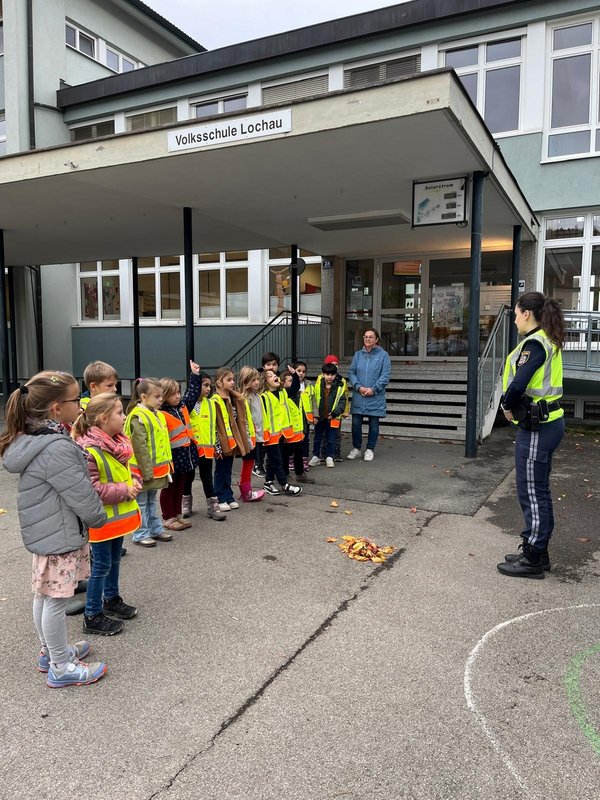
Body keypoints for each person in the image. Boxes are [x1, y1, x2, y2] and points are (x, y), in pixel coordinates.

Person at [0, 371, 108, 688]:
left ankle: (51, 652)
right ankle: (61, 667)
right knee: (56, 601)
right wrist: (98, 518)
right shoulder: (56, 448)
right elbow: (81, 494)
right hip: (59, 535)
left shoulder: (36, 440)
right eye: (76, 399)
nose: (82, 405)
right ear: (56, 409)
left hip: (48, 532)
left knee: (44, 596)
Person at [497, 292, 566, 579]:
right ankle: (539, 550)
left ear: (526, 314)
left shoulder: (535, 344)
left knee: (531, 491)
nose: (514, 320)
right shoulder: (547, 339)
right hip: (549, 423)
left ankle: (533, 558)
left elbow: (518, 383)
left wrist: (506, 407)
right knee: (540, 490)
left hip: (538, 426)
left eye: (515, 314)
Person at [73, 393, 141, 635]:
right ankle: (92, 614)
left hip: (116, 521)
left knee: (113, 562)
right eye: (120, 413)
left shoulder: (118, 443)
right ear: (103, 418)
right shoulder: (90, 450)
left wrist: (135, 479)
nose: (124, 417)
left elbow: (127, 469)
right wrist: (125, 490)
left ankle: (111, 599)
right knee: (100, 566)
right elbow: (92, 489)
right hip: (101, 521)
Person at [124, 378, 172, 547]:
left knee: (151, 501)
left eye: (161, 396)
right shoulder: (138, 417)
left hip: (154, 469)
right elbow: (140, 447)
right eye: (157, 396)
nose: (161, 399)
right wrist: (146, 471)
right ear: (143, 397)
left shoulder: (155, 414)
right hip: (142, 471)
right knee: (142, 503)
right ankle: (140, 533)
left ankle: (155, 529)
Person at [159, 361, 202, 530]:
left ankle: (177, 515)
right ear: (163, 396)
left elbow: (192, 393)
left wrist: (195, 375)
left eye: (178, 392)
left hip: (185, 457)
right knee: (169, 488)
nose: (177, 396)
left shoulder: (182, 406)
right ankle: (168, 517)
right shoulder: (161, 414)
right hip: (171, 457)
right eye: (173, 394)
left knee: (180, 487)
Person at [212, 367, 253, 511]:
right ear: (219, 383)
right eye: (228, 380)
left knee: (228, 469)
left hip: (232, 440)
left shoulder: (234, 398)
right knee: (220, 470)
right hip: (221, 442)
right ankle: (220, 497)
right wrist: (217, 446)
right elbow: (214, 425)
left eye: (233, 379)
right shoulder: (215, 400)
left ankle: (228, 495)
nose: (232, 382)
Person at [347, 328, 391, 462]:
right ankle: (356, 448)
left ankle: (370, 449)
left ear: (376, 339)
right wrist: (358, 387)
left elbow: (385, 375)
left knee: (374, 424)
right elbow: (351, 372)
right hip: (359, 395)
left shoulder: (383, 355)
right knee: (355, 424)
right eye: (365, 337)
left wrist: (373, 389)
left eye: (371, 337)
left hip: (375, 396)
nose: (367, 339)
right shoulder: (358, 355)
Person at [188, 372, 227, 521]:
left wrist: (217, 447)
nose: (209, 389)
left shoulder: (211, 404)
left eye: (209, 386)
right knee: (188, 477)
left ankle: (213, 507)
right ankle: (186, 503)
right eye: (205, 385)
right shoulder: (187, 404)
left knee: (207, 478)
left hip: (207, 450)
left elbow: (215, 427)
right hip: (190, 450)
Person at [260, 369, 303, 497]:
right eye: (270, 376)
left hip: (282, 433)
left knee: (273, 459)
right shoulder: (264, 397)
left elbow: (295, 386)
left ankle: (268, 482)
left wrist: (294, 374)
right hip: (270, 434)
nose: (275, 376)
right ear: (265, 382)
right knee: (277, 459)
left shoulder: (283, 392)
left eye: (275, 375)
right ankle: (284, 484)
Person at [309, 363, 347, 468]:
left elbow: (342, 402)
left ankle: (330, 457)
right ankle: (316, 456)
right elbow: (313, 400)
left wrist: (334, 413)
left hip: (333, 418)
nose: (330, 377)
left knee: (331, 438)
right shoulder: (318, 386)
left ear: (335, 375)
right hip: (320, 417)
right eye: (327, 374)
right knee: (317, 438)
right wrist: (315, 415)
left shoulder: (339, 386)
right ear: (323, 374)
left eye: (332, 374)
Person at [237, 366, 266, 502]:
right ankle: (246, 492)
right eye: (253, 380)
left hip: (256, 437)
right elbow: (245, 421)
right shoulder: (244, 398)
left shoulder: (256, 396)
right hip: (249, 439)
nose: (257, 382)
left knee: (250, 463)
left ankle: (246, 491)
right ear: (245, 381)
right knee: (248, 464)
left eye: (258, 379)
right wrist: (248, 439)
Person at [280, 368, 312, 483]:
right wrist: (294, 374)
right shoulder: (285, 394)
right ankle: (284, 475)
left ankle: (300, 474)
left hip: (297, 429)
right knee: (285, 454)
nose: (292, 383)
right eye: (289, 381)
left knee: (298, 452)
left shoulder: (297, 394)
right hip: (287, 430)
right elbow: (296, 385)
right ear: (283, 383)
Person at [253, 352, 281, 478]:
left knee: (272, 445)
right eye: (268, 364)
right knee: (261, 443)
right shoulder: (258, 378)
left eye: (274, 364)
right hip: (261, 416)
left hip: (274, 419)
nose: (271, 367)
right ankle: (258, 465)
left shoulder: (278, 378)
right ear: (263, 366)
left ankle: (270, 467)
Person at [317, 355, 348, 462]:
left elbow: (344, 396)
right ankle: (323, 453)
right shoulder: (320, 379)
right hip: (323, 413)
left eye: (336, 364)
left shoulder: (341, 380)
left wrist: (344, 410)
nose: (334, 366)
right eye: (331, 364)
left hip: (336, 413)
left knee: (336, 434)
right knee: (324, 434)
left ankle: (336, 453)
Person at [293, 360, 316, 474]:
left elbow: (314, 401)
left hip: (305, 417)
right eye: (298, 371)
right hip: (294, 418)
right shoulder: (290, 383)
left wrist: (315, 415)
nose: (301, 373)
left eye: (303, 371)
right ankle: (292, 460)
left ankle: (304, 459)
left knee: (305, 439)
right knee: (293, 440)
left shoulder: (309, 385)